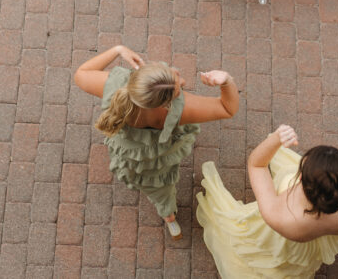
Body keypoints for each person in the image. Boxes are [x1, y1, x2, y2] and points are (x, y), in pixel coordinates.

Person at [73, 44, 240, 239]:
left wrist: (118, 50)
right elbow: (228, 109)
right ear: (166, 104)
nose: (181, 79)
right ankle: (168, 215)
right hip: (158, 156)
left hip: (131, 154)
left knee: (152, 186)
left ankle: (168, 216)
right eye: (179, 88)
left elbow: (81, 73)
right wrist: (226, 81)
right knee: (162, 186)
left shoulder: (115, 86)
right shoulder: (179, 111)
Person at [196, 125, 338, 277]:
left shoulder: (281, 216)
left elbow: (256, 164)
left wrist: (276, 139)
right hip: (310, 245)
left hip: (290, 240)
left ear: (301, 178)